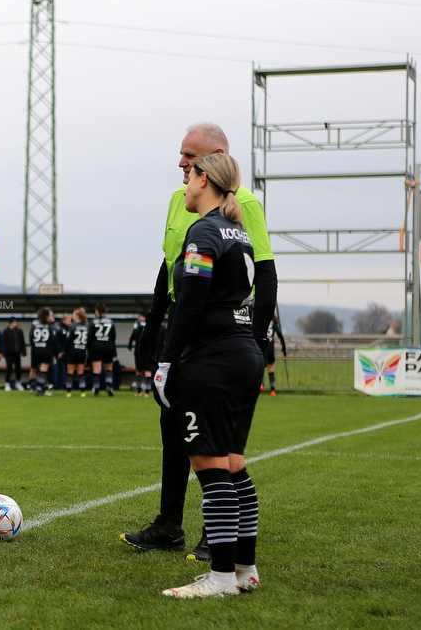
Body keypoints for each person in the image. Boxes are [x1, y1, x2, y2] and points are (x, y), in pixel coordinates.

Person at [122, 123, 277, 564]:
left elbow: (264, 272)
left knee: (222, 448)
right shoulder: (180, 199)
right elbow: (169, 265)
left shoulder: (241, 205)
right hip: (189, 326)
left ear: (214, 161)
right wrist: (153, 326)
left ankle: (219, 541)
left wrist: (259, 336)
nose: (181, 165)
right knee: (177, 428)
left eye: (190, 157)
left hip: (217, 334)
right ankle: (170, 523)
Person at [153, 153, 265, 598]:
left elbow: (192, 302)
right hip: (244, 352)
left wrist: (168, 360)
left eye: (188, 175)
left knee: (208, 462)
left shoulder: (203, 230)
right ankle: (244, 569)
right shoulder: (237, 230)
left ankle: (220, 578)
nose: (183, 184)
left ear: (205, 180)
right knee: (234, 464)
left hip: (213, 359)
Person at [88, 304, 117, 396]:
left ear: (97, 311)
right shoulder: (110, 322)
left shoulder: (92, 322)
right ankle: (109, 384)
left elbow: (89, 336)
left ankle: (96, 389)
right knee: (108, 368)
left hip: (95, 347)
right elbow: (113, 336)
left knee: (96, 369)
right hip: (108, 346)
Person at [29, 307, 56, 396]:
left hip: (36, 349)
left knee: (38, 369)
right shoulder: (50, 326)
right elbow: (53, 339)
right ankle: (40, 388)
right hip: (46, 350)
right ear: (47, 316)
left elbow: (31, 337)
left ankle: (37, 387)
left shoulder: (35, 325)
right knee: (43, 370)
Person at [65, 308, 89, 397]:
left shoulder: (72, 327)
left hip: (72, 351)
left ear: (77, 316)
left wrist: (65, 350)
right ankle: (82, 392)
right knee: (81, 372)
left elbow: (68, 340)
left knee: (70, 372)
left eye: (73, 315)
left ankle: (68, 392)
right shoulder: (86, 327)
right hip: (82, 351)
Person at [127, 313, 153, 397]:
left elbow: (134, 333)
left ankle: (139, 391)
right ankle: (147, 392)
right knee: (148, 370)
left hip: (139, 349)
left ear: (140, 316)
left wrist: (130, 344)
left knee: (139, 370)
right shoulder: (150, 323)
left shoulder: (137, 323)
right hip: (149, 350)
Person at [262, 315, 286, 396]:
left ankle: (261, 385)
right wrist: (284, 348)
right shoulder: (273, 324)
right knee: (271, 367)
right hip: (271, 349)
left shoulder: (262, 322)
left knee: (261, 367)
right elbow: (280, 335)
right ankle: (272, 390)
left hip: (263, 347)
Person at [1, 318, 26, 391]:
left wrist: (23, 351)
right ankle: (7, 383)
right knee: (9, 368)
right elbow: (3, 342)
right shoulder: (6, 331)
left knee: (18, 368)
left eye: (16, 322)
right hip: (9, 353)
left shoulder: (19, 331)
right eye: (14, 322)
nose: (15, 324)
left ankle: (18, 382)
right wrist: (3, 352)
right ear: (10, 323)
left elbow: (22, 341)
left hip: (17, 352)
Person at [53, 313, 70, 390]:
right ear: (64, 321)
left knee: (66, 370)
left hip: (67, 353)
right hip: (61, 353)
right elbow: (57, 342)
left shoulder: (68, 329)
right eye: (68, 321)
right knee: (61, 370)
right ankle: (59, 385)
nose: (70, 323)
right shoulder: (59, 329)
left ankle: (65, 385)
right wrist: (60, 351)